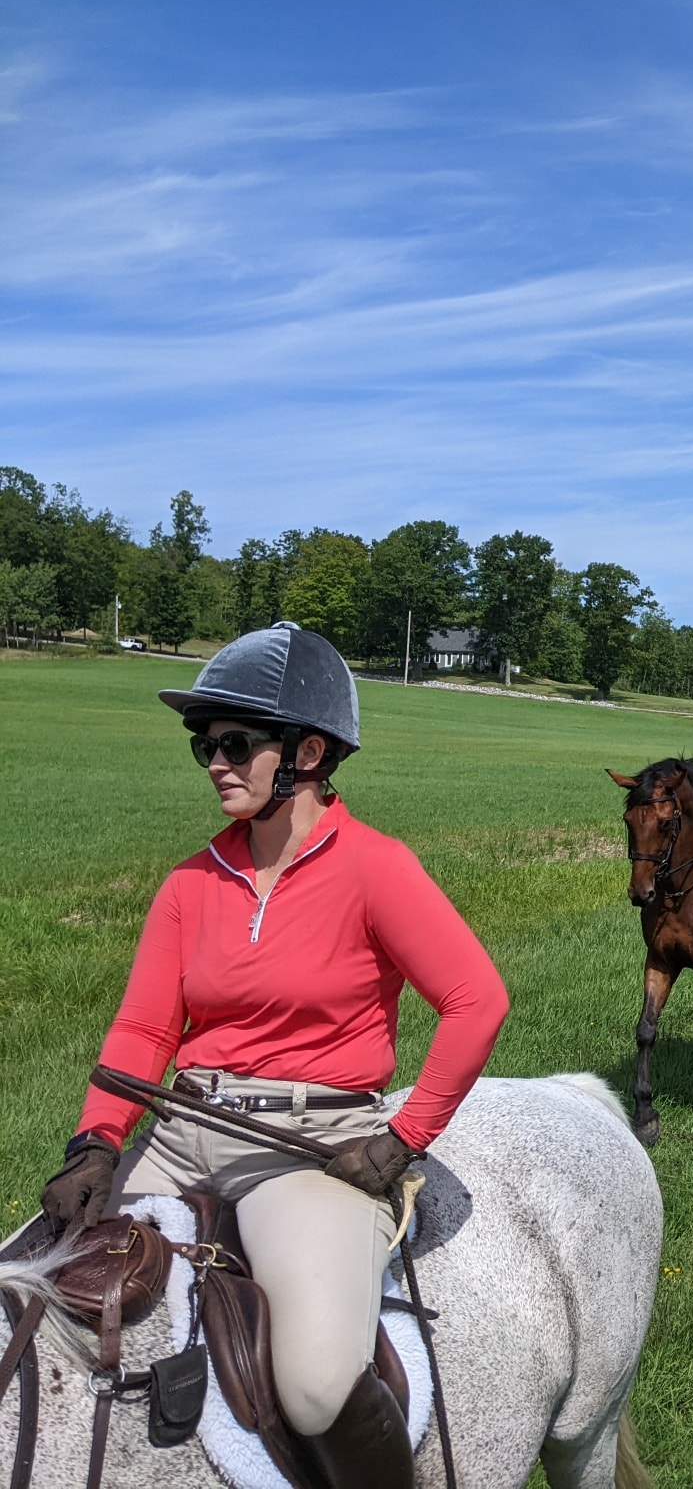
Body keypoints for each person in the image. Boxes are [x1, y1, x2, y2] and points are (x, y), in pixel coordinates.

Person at [37, 622, 510, 1489]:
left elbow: (477, 1002)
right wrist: (98, 1142)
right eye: (204, 746)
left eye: (236, 743)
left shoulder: (377, 869)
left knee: (318, 1383)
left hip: (309, 1148)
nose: (216, 760)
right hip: (181, 1132)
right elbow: (145, 1030)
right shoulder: (190, 881)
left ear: (311, 751)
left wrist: (405, 1137)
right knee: (37, 1298)